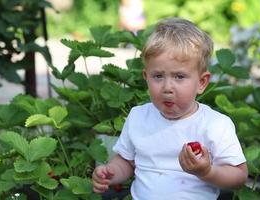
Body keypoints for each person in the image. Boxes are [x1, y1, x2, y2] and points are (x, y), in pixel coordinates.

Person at [92, 18, 248, 200]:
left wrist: (207, 172)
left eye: (179, 76)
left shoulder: (215, 125)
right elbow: (127, 161)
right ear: (146, 77)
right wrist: (111, 172)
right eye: (158, 76)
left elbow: (239, 177)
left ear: (201, 82)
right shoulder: (138, 117)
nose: (167, 87)